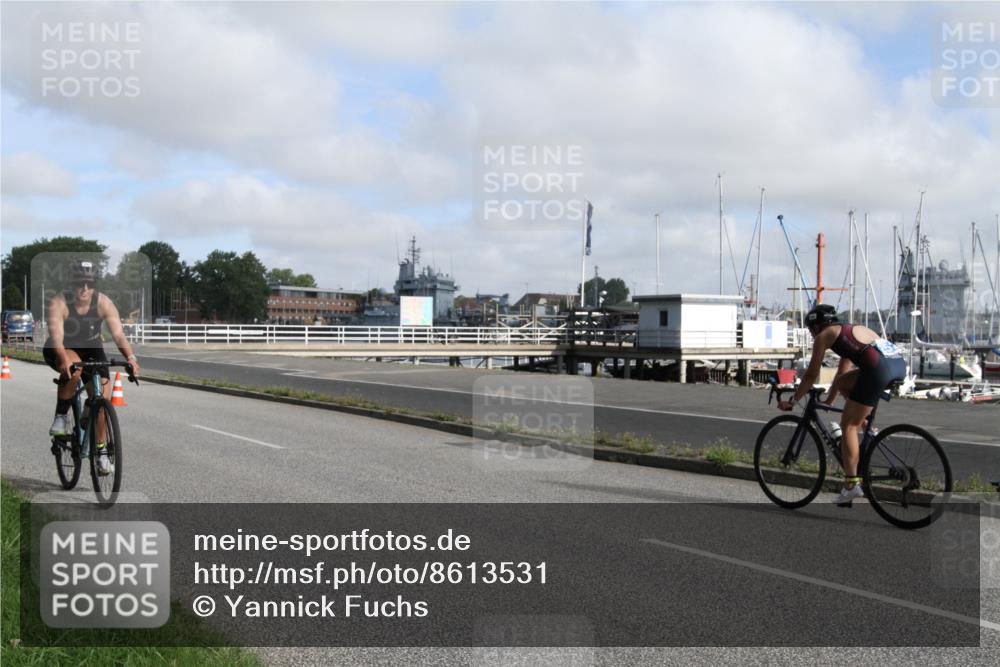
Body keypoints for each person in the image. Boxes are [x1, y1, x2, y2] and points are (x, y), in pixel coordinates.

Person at [777, 304, 906, 506]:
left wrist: (794, 401)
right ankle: (866, 425)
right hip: (896, 364)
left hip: (878, 369)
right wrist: (829, 400)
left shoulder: (824, 336)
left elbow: (811, 375)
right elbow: (842, 375)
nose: (812, 335)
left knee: (848, 425)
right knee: (843, 384)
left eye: (811, 330)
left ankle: (851, 485)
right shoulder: (846, 331)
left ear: (817, 326)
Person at [43, 260, 140, 475]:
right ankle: (60, 417)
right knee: (74, 368)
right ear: (72, 283)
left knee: (101, 401)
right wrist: (63, 360)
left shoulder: (103, 302)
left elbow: (118, 335)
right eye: (80, 283)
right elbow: (57, 338)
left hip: (92, 347)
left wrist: (131, 358)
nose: (85, 288)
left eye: (90, 283)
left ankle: (101, 450)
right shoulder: (59, 302)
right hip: (61, 347)